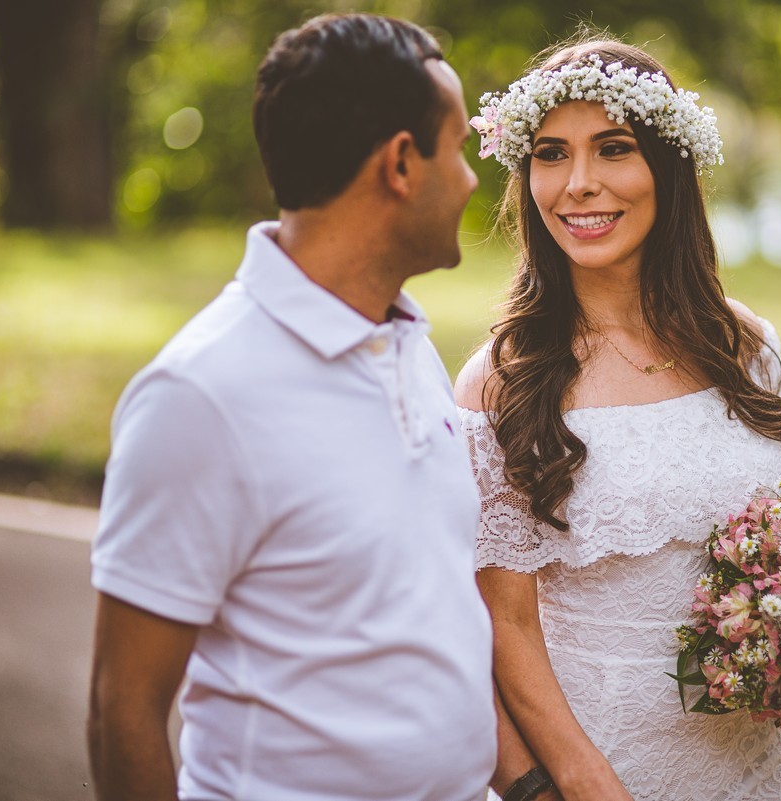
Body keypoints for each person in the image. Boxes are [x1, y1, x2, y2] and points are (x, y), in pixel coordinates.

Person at [86, 13, 496, 801]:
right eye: (460, 149)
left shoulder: (408, 340)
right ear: (402, 164)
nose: (474, 178)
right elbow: (122, 708)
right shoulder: (201, 395)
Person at [456, 38, 781, 801]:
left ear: (668, 164)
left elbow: (776, 553)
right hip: (598, 769)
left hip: (748, 767)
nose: (578, 185)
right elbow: (504, 626)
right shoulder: (500, 382)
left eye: (612, 149)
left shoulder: (745, 344)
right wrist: (581, 787)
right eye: (551, 154)